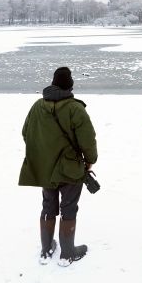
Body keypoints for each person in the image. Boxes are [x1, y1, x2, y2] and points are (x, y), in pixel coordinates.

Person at [18, 66, 98, 266]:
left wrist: (44, 152)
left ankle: (46, 250)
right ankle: (68, 253)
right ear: (70, 85)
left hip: (46, 167)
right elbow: (88, 140)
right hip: (70, 169)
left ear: (53, 83)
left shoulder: (38, 106)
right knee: (69, 208)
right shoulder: (75, 109)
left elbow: (26, 132)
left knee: (48, 205)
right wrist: (90, 161)